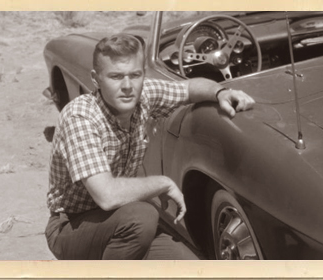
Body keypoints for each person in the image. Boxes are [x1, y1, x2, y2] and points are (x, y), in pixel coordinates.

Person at [45, 33, 255, 260]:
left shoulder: (143, 95)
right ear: (96, 79)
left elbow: (188, 89)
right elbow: (106, 196)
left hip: (122, 221)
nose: (127, 86)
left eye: (134, 75)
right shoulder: (80, 117)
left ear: (142, 74)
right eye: (115, 77)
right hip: (71, 226)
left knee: (191, 265)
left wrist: (221, 92)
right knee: (143, 215)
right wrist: (161, 183)